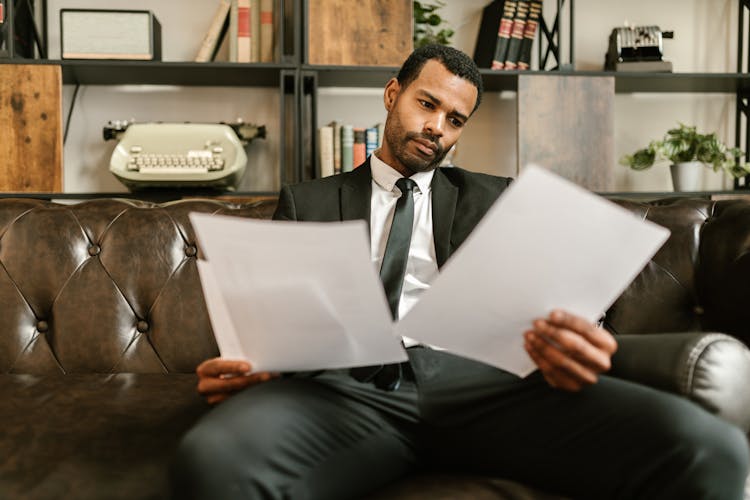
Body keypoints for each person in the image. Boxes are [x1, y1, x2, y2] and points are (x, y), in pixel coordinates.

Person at [171, 45, 749, 499]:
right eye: (427, 104)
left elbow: (557, 298)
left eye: (455, 119)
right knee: (212, 457)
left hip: (490, 386)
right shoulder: (308, 200)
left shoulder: (499, 197)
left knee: (709, 448)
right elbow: (276, 317)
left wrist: (585, 331)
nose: (438, 128)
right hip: (348, 393)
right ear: (393, 94)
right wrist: (259, 364)